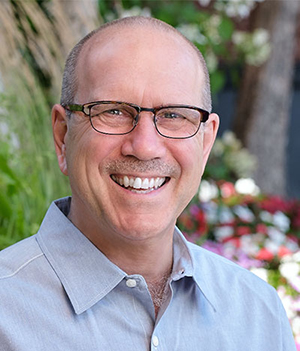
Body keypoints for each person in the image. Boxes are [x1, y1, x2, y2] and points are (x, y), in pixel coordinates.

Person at [0, 16, 296, 351]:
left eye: (174, 115)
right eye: (112, 111)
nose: (143, 146)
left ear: (206, 143)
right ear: (62, 136)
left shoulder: (258, 314)